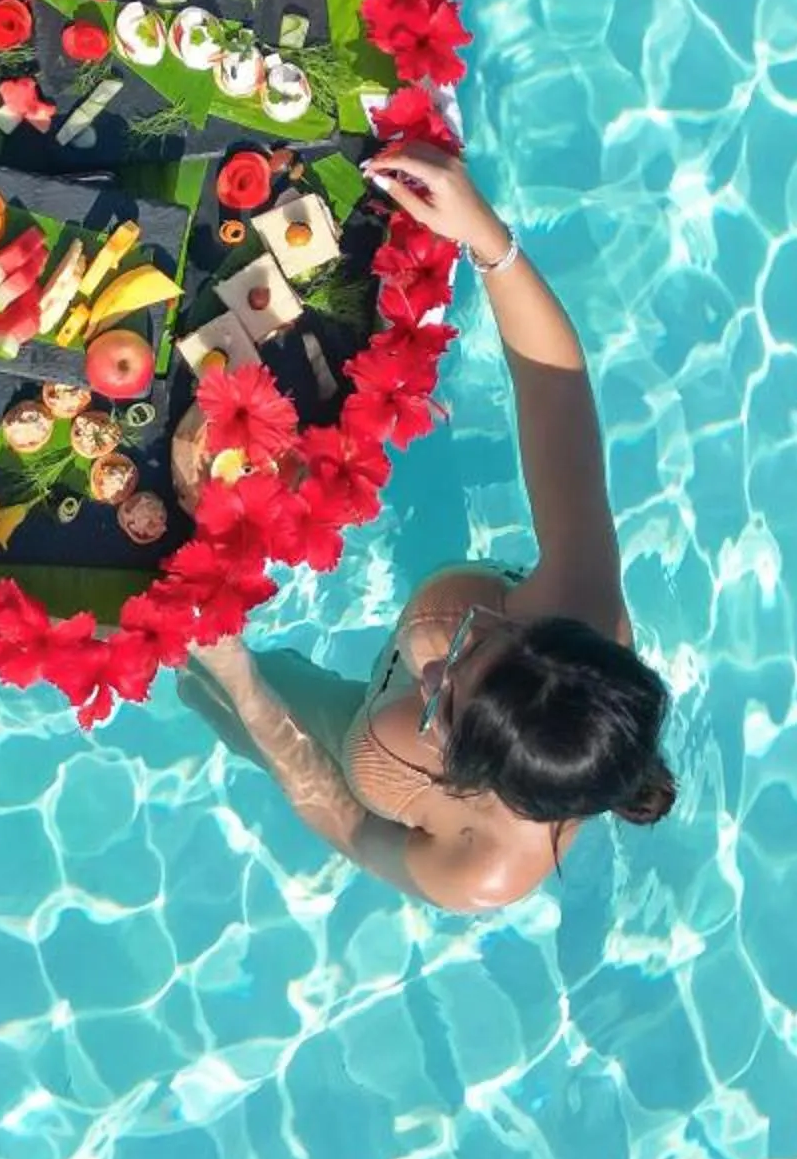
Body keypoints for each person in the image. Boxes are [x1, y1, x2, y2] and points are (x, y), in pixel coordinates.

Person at [183, 145, 675, 912]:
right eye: (476, 640)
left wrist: (239, 679)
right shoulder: (580, 603)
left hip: (351, 747)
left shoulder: (481, 871)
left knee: (206, 680)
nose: (426, 665)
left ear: (477, 783)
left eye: (444, 700)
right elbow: (556, 393)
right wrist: (487, 238)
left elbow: (346, 824)